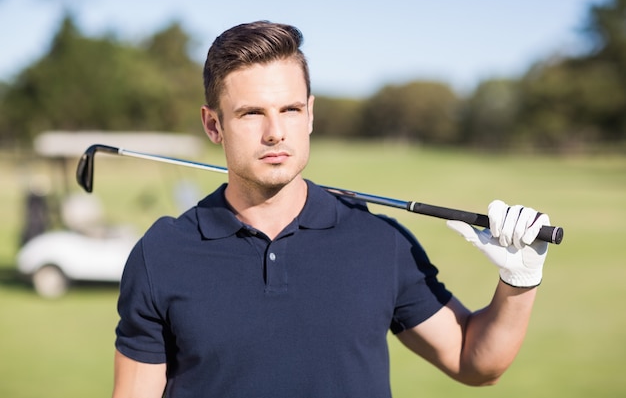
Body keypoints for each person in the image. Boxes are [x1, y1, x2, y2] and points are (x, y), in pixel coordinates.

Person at [111, 21, 550, 398]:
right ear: (213, 125)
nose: (275, 132)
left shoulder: (381, 242)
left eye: (290, 109)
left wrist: (518, 282)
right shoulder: (163, 253)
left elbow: (473, 361)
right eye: (251, 114)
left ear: (311, 115)